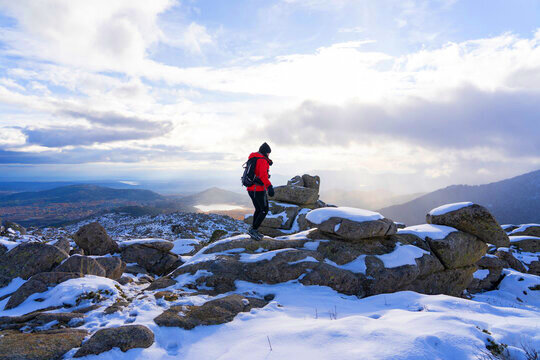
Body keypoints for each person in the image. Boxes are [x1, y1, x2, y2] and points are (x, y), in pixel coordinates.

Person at [247, 142, 275, 240]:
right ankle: (253, 230)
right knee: (264, 210)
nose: (269, 155)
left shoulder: (253, 158)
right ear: (265, 152)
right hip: (258, 189)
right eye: (268, 153)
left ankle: (253, 229)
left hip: (250, 188)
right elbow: (263, 176)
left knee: (259, 209)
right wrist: (269, 187)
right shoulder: (262, 160)